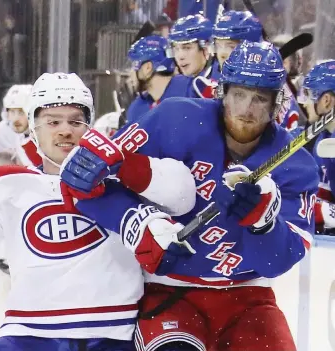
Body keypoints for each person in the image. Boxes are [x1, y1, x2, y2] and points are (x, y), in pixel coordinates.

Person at [60, 41, 319, 351]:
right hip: (170, 293)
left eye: (259, 99)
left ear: (277, 103)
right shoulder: (174, 118)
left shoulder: (298, 166)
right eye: (238, 95)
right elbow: (85, 184)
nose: (247, 111)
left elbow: (277, 262)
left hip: (250, 300)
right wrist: (136, 224)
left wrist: (263, 222)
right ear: (222, 91)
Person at [0, 72, 143, 351]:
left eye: (75, 121)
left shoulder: (127, 181)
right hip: (29, 336)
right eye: (53, 121)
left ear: (90, 126)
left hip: (112, 335)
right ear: (34, 128)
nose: (64, 130)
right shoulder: (5, 186)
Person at [298, 60, 335, 234]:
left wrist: (323, 211)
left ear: (326, 100)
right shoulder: (321, 135)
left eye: (309, 95)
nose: (304, 104)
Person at [126, 35, 199, 124]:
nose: (130, 74)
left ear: (147, 68)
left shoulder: (194, 91)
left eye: (134, 66)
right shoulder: (138, 106)